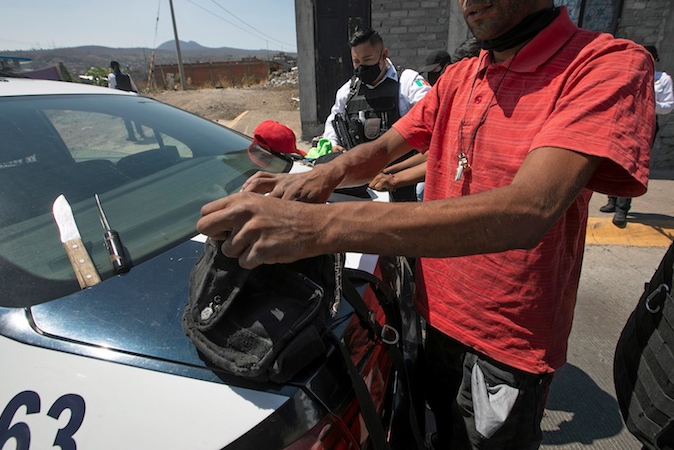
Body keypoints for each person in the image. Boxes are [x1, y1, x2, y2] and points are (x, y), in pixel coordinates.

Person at [196, 0, 655, 448]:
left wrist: (318, 225)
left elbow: (528, 211)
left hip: (503, 343)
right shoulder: (461, 76)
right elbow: (384, 148)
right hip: (429, 314)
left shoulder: (604, 65)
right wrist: (320, 175)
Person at [321, 29, 431, 201]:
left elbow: (431, 115)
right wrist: (333, 142)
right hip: (359, 186)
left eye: (367, 59)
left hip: (401, 180)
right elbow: (333, 119)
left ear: (383, 54)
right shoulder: (347, 91)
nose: (361, 66)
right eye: (356, 62)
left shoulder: (408, 82)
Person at [369, 39, 481, 200]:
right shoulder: (455, 102)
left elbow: (445, 163)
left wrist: (395, 179)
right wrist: (391, 170)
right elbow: (436, 152)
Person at [600, 44, 673, 227]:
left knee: (632, 164)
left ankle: (622, 210)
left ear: (654, 60)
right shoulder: (628, 75)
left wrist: (648, 101)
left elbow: (668, 106)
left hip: (646, 123)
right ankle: (612, 200)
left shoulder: (662, 79)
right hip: (624, 121)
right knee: (615, 159)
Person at [108, 60, 146, 141]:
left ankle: (132, 136)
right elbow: (134, 87)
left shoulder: (111, 76)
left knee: (127, 119)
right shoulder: (127, 75)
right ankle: (141, 133)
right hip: (130, 98)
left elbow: (111, 88)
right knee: (136, 117)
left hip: (121, 100)